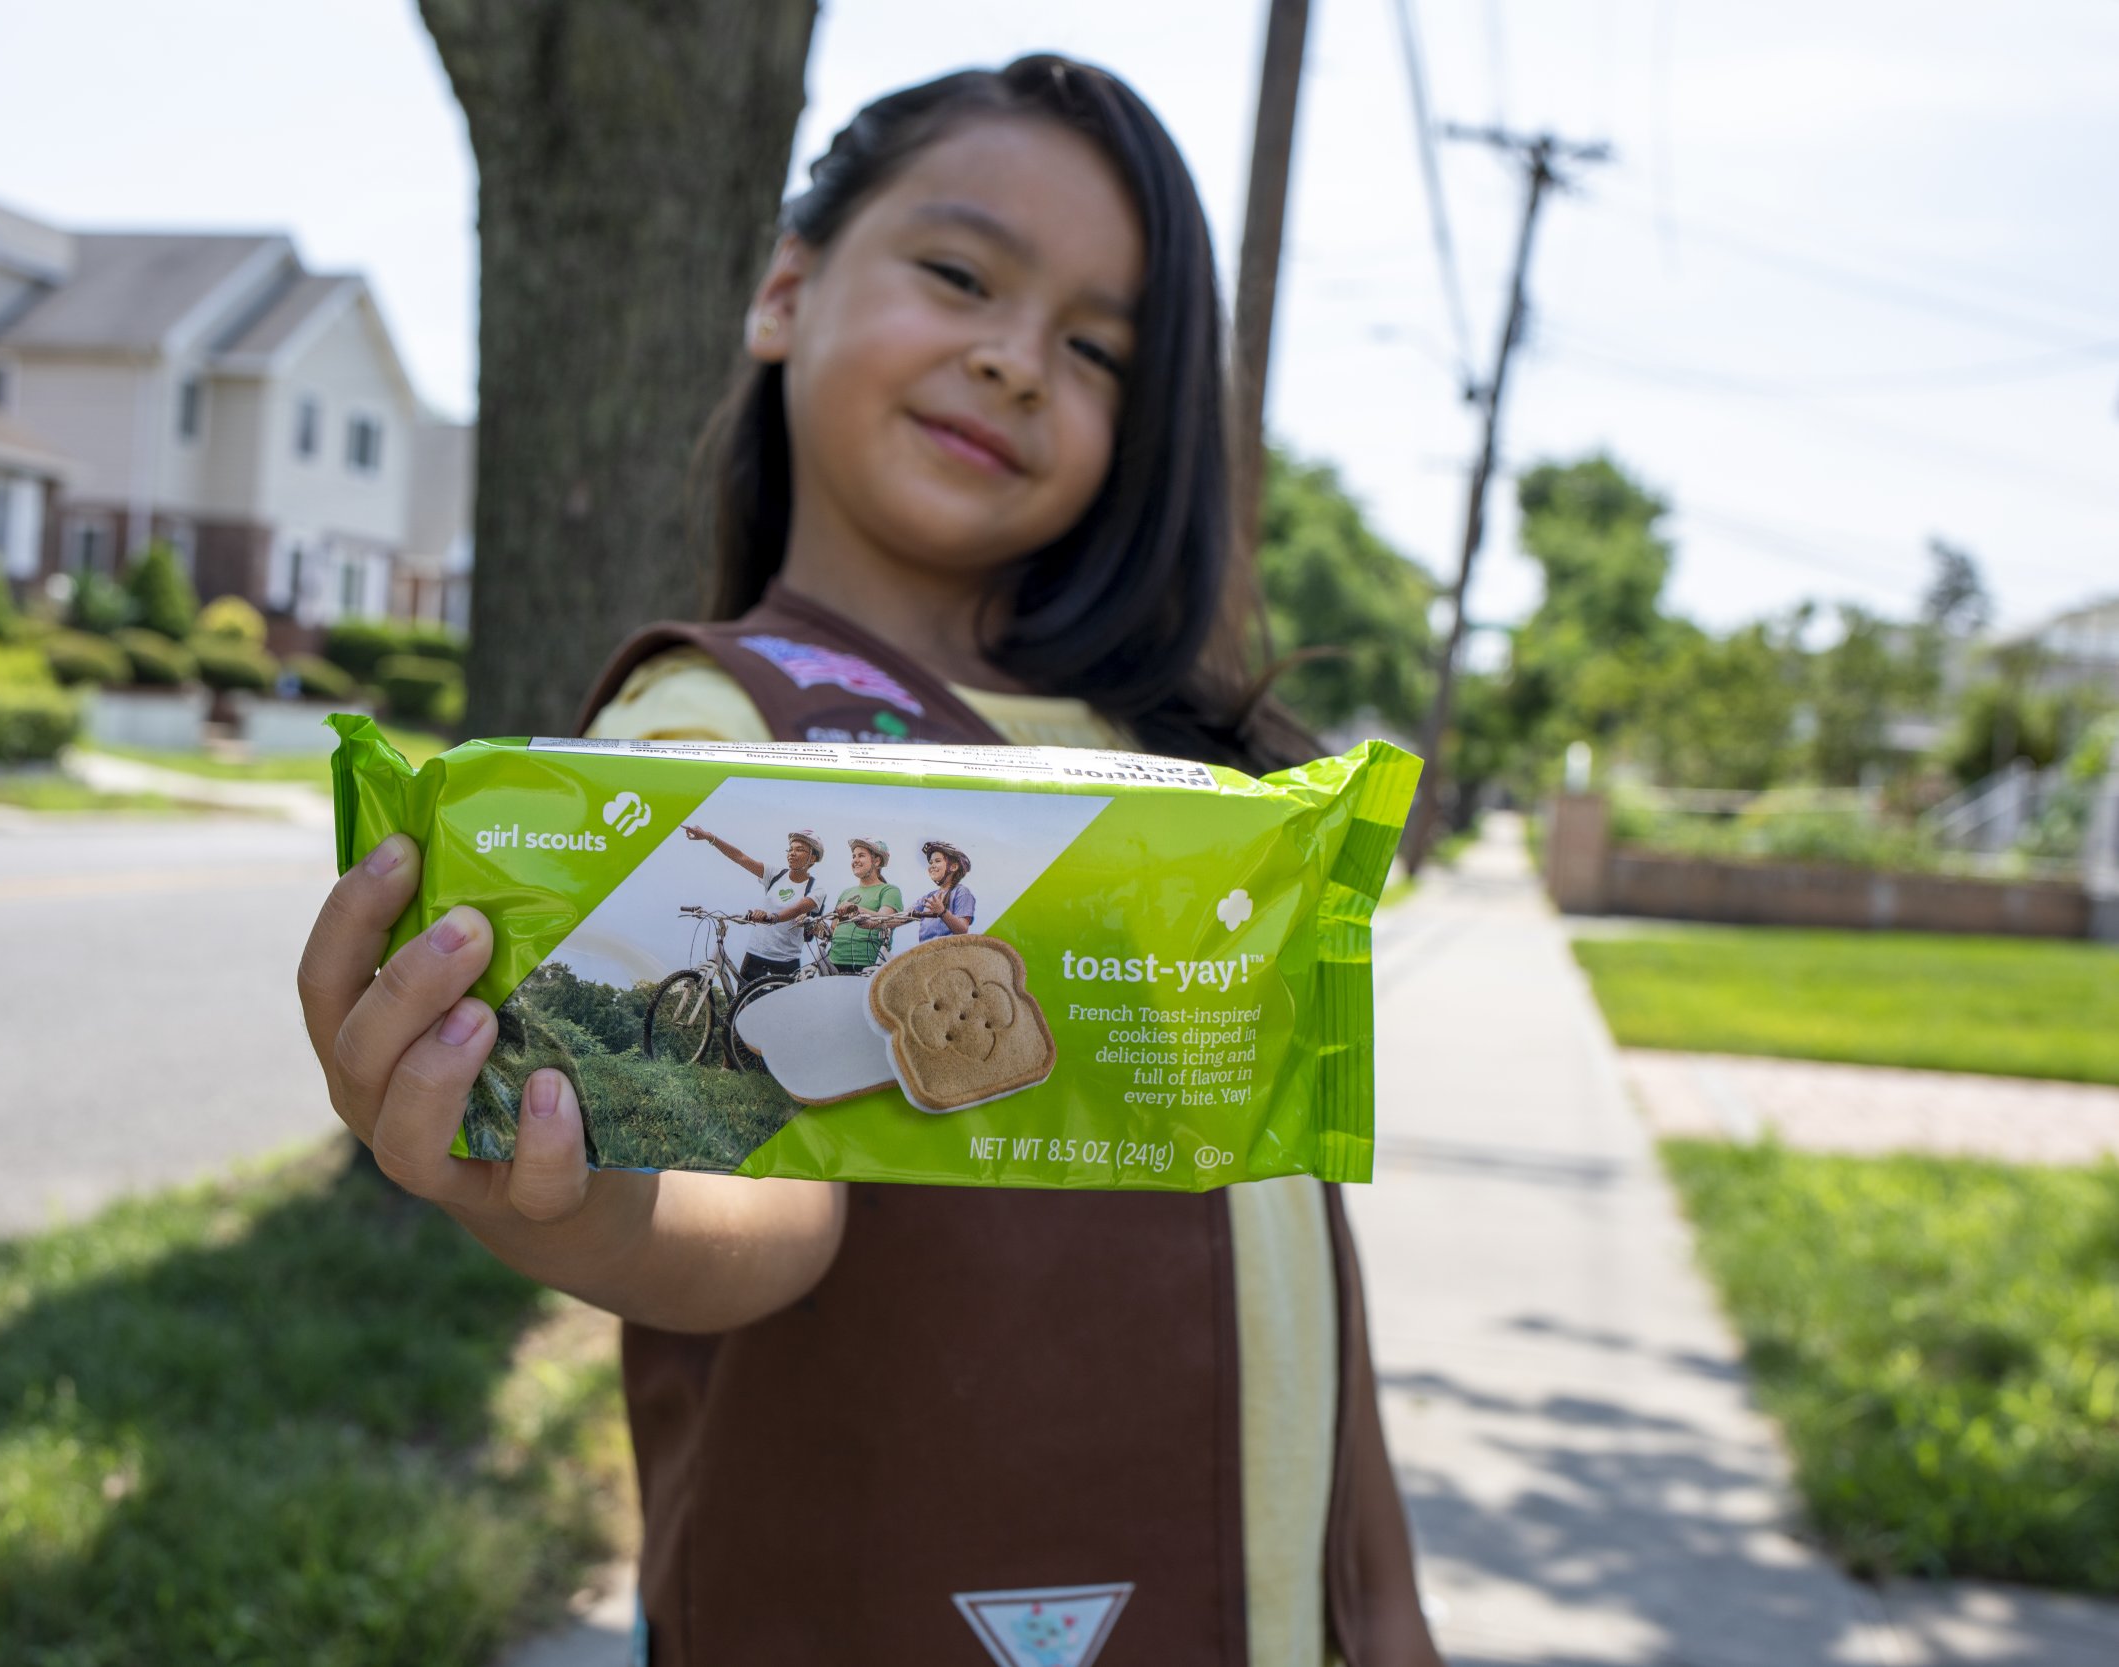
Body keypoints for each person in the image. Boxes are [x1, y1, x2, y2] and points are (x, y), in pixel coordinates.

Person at [295, 54, 1439, 1666]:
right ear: (784, 287)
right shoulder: (714, 730)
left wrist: (1382, 1611)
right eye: (961, 274)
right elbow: (746, 1189)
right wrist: (569, 1197)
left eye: (1098, 348)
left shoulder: (1187, 768)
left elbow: (1298, 1228)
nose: (1015, 360)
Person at [682, 822, 824, 983]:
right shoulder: (775, 874)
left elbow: (797, 908)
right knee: (742, 1005)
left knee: (780, 1008)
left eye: (799, 850)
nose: (792, 853)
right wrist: (709, 837)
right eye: (790, 849)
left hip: (785, 961)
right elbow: (740, 857)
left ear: (812, 858)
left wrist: (771, 917)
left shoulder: (816, 888)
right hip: (754, 955)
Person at [825, 837, 905, 971]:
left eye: (861, 856)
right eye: (853, 856)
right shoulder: (846, 893)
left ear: (877, 861)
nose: (855, 860)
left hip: (867, 965)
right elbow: (834, 929)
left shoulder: (889, 890)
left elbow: (884, 919)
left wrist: (855, 908)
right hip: (833, 962)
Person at [910, 838, 977, 940]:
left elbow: (962, 929)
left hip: (949, 951)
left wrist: (942, 912)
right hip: (927, 951)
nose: (932, 866)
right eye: (931, 862)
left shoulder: (961, 892)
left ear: (953, 867)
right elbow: (902, 916)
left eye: (937, 861)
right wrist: (877, 917)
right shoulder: (929, 897)